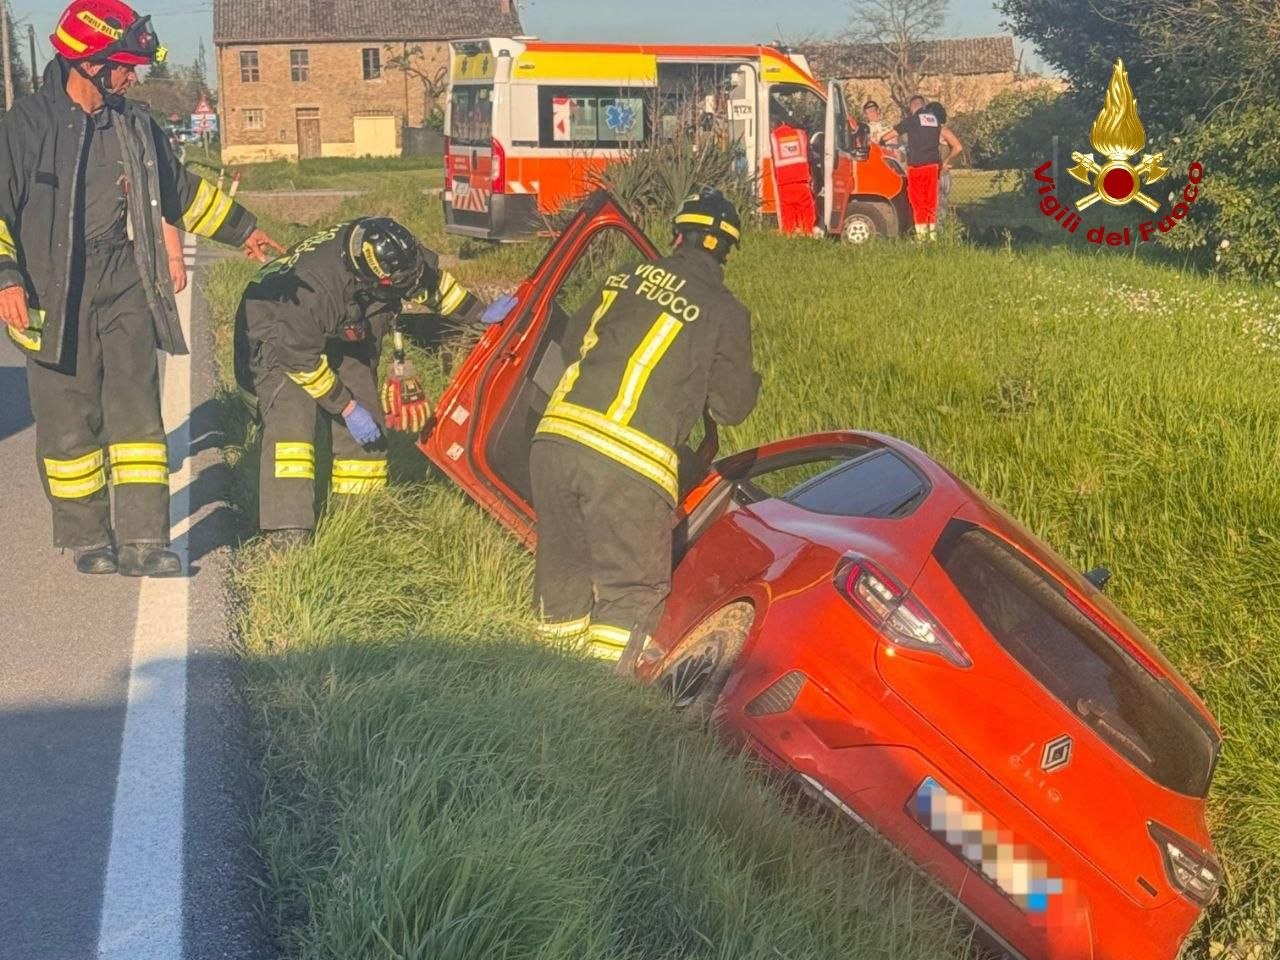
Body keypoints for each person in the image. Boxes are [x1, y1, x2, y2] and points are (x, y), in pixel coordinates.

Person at [0, 0, 281, 576]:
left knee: (137, 418)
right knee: (69, 420)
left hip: (124, 280)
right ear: (88, 63)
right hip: (53, 293)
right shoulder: (23, 128)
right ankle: (86, 538)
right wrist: (6, 277)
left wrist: (244, 228)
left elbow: (181, 191)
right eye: (124, 65)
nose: (133, 75)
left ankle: (144, 540)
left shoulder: (134, 123)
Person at [530, 187, 761, 674]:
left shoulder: (623, 277)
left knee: (563, 572)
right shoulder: (726, 311)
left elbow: (574, 344)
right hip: (630, 465)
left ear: (678, 235)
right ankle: (596, 703)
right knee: (631, 593)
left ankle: (547, 689)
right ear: (727, 254)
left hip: (555, 442)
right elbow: (730, 407)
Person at [234, 217, 485, 546]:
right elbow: (299, 359)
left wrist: (483, 316)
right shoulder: (315, 290)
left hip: (340, 320)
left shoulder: (396, 253)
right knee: (292, 422)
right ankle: (287, 533)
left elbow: (435, 288)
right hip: (277, 322)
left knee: (368, 419)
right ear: (369, 277)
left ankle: (360, 520)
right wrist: (345, 406)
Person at [879, 95, 963, 241]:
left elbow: (889, 135)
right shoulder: (935, 122)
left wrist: (882, 141)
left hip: (917, 166)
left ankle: (921, 237)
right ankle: (932, 235)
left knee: (918, 201)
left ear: (912, 107)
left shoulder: (912, 120)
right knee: (931, 201)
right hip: (933, 166)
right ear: (923, 106)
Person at [769, 111, 817, 235]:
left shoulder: (773, 138)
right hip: (801, 181)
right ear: (783, 123)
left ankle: (789, 235)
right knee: (806, 210)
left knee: (788, 211)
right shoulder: (800, 134)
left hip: (784, 183)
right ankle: (807, 233)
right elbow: (809, 153)